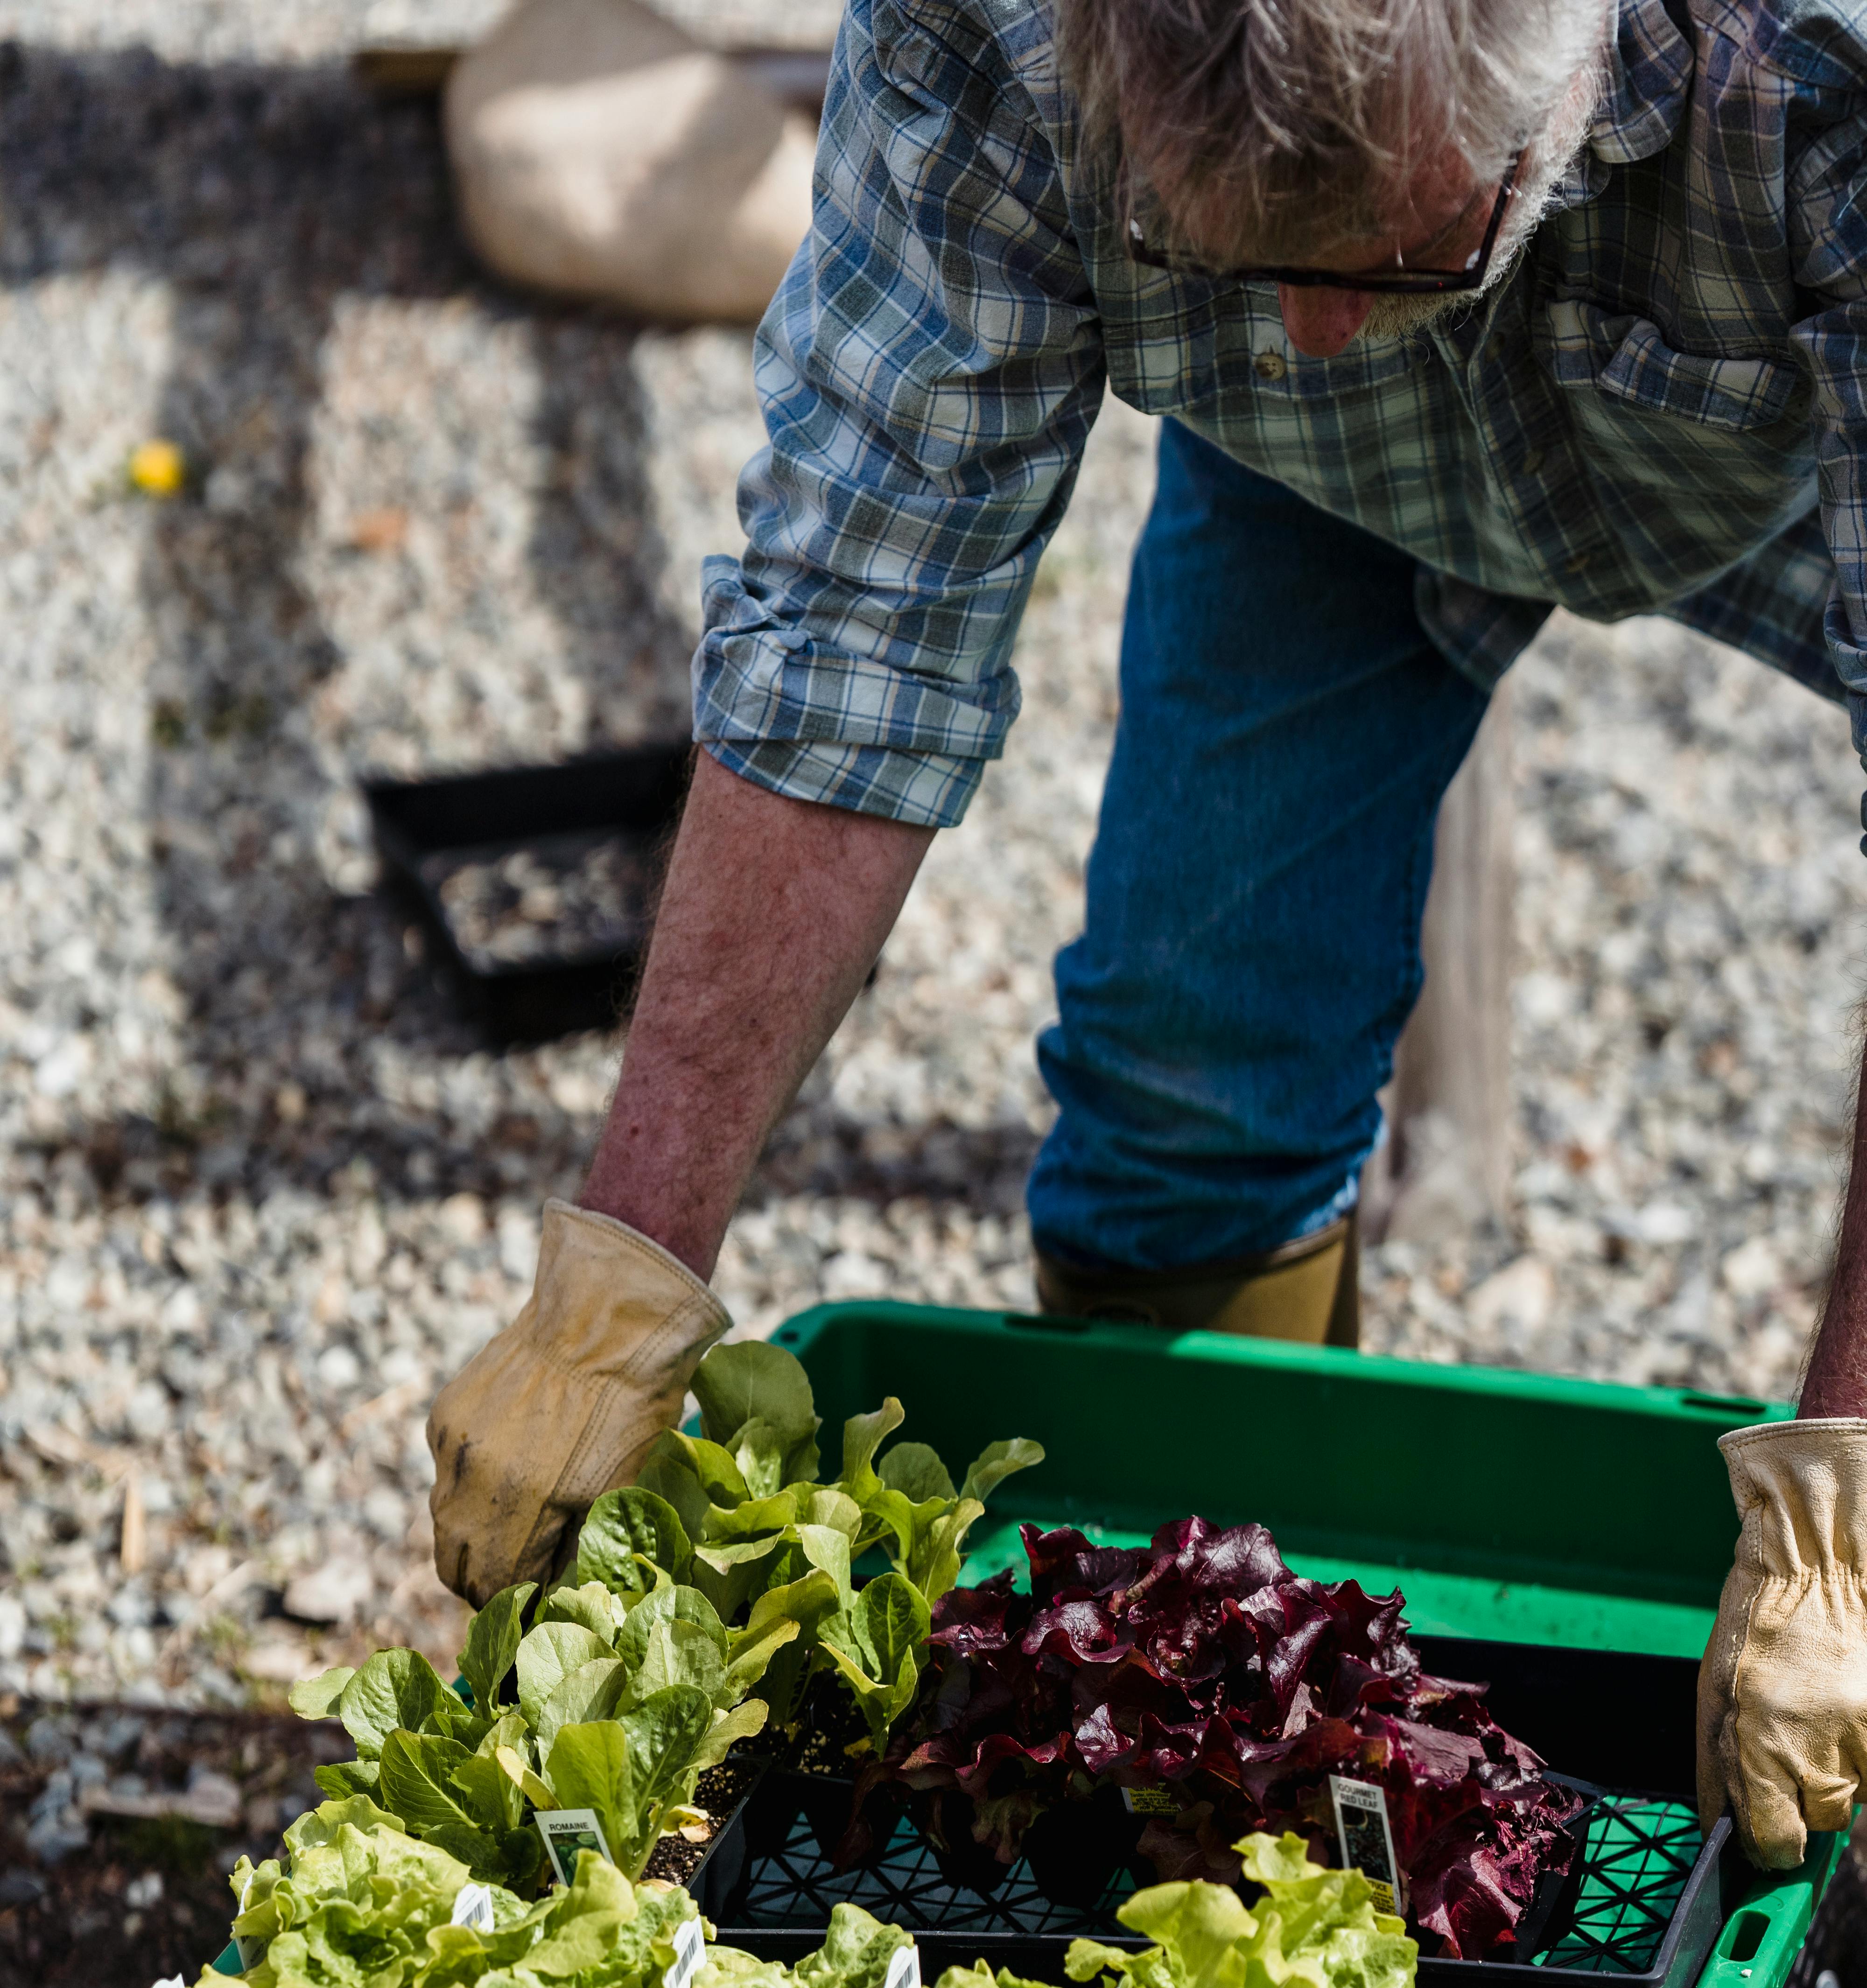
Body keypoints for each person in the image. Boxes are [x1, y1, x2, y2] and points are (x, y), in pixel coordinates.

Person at [427, 0, 1867, 1875]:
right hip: (1333, 480)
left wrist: (1845, 1478)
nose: (1315, 323)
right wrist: (624, 1267)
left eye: (1390, 246)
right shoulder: (998, 27)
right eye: (1226, 252)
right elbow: (854, 625)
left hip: (1774, 420)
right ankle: (1232, 1776)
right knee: (1181, 1117)